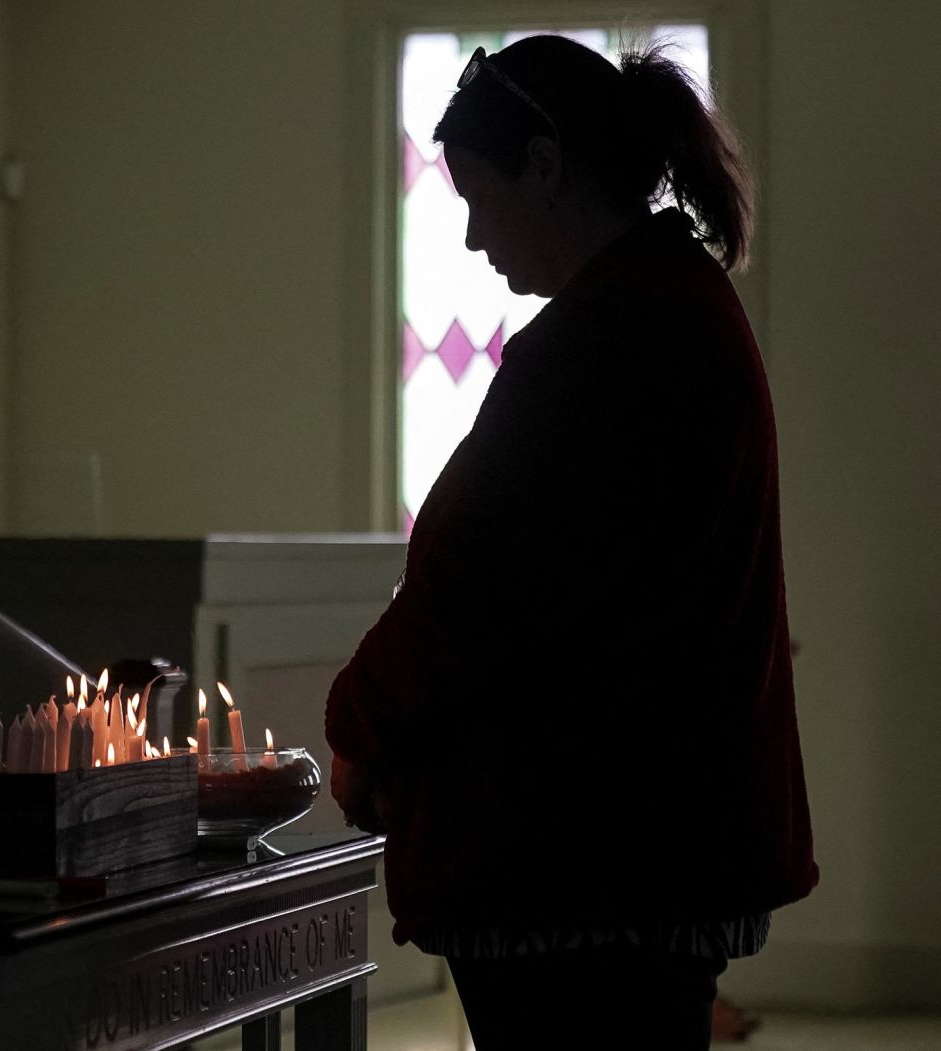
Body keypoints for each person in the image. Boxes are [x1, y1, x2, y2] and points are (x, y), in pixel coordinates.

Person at [325, 35, 817, 1049]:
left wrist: (358, 722)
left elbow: (480, 593)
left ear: (545, 166)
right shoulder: (669, 307)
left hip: (582, 863)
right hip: (638, 846)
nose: (470, 238)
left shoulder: (611, 342)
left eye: (478, 196)